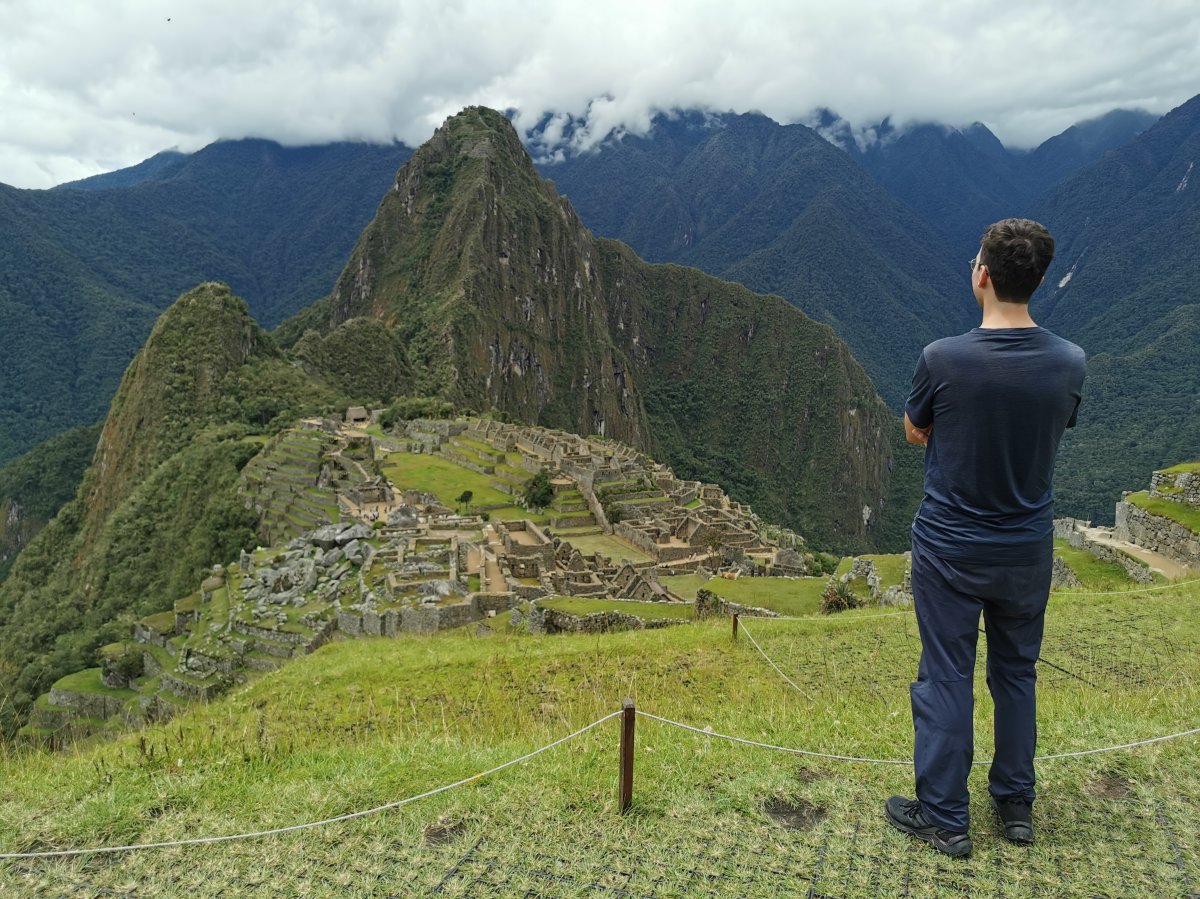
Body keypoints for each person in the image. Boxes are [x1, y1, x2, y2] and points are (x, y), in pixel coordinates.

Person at [884, 218, 1086, 858]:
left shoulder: (943, 359)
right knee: (1016, 674)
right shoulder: (1069, 362)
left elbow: (915, 430)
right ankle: (1016, 805)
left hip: (950, 546)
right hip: (1027, 545)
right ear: (1041, 281)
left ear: (982, 275)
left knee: (946, 674)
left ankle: (945, 817)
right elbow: (1057, 422)